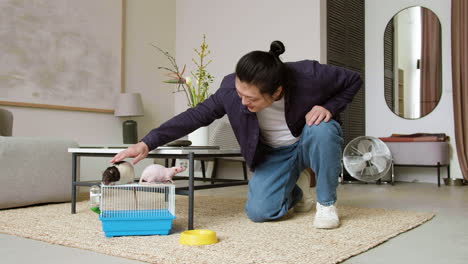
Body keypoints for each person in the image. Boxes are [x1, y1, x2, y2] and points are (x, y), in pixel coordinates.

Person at [111, 40, 362, 229]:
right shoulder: (231, 89)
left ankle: (326, 204)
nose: (242, 103)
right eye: (240, 94)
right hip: (274, 153)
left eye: (250, 98)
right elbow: (195, 115)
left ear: (276, 92)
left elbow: (354, 80)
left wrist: (328, 107)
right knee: (260, 213)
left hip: (308, 139)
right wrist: (147, 143)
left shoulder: (310, 75)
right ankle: (297, 188)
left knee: (323, 129)